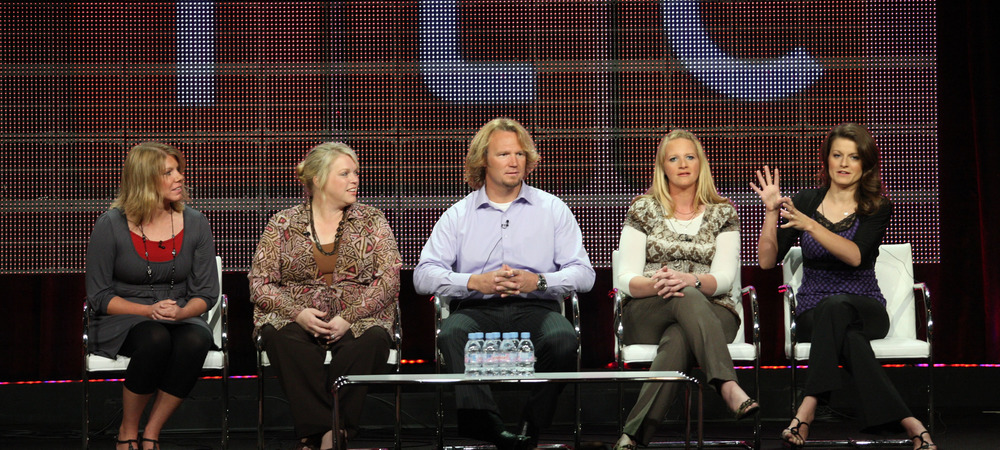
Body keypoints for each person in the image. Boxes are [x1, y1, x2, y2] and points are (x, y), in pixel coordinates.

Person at [413, 118, 595, 450]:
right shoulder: (459, 214)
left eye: (520, 154)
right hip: (477, 310)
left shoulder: (552, 209)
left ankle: (530, 424)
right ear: (483, 160)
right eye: (503, 154)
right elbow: (423, 275)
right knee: (452, 332)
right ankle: (491, 428)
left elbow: (584, 274)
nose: (514, 162)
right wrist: (473, 282)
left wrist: (538, 281)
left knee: (563, 339)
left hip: (535, 308)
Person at [752, 123, 936, 450]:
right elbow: (767, 262)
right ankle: (913, 424)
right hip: (813, 312)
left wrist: (810, 224)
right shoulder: (807, 200)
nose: (844, 163)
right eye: (837, 155)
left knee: (838, 307)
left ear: (865, 164)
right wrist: (770, 213)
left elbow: (854, 256)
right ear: (826, 160)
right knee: (844, 332)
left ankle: (807, 407)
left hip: (866, 308)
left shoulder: (877, 207)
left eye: (853, 157)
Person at [611, 130, 759, 450]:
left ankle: (633, 436)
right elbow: (625, 278)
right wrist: (661, 283)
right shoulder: (643, 209)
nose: (682, 164)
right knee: (684, 294)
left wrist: (688, 280)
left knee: (680, 332)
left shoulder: (724, 213)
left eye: (689, 157)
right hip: (648, 308)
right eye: (673, 158)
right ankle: (727, 384)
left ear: (700, 163)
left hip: (715, 310)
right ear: (662, 167)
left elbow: (724, 278)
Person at [250, 142, 401, 450]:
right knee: (284, 339)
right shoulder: (282, 223)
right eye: (344, 173)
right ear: (318, 180)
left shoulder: (372, 220)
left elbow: (389, 278)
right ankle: (331, 432)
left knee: (369, 341)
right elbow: (260, 283)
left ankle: (318, 435)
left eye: (356, 172)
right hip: (297, 315)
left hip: (358, 316)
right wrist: (297, 314)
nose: (355, 179)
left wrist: (349, 317)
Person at [85, 142, 219, 450]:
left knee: (195, 339)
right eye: (168, 172)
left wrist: (182, 313)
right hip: (123, 316)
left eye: (179, 170)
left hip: (180, 312)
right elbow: (99, 295)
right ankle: (127, 430)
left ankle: (152, 432)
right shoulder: (110, 225)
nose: (179, 177)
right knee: (155, 338)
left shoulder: (196, 222)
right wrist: (148, 311)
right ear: (145, 180)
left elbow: (206, 293)